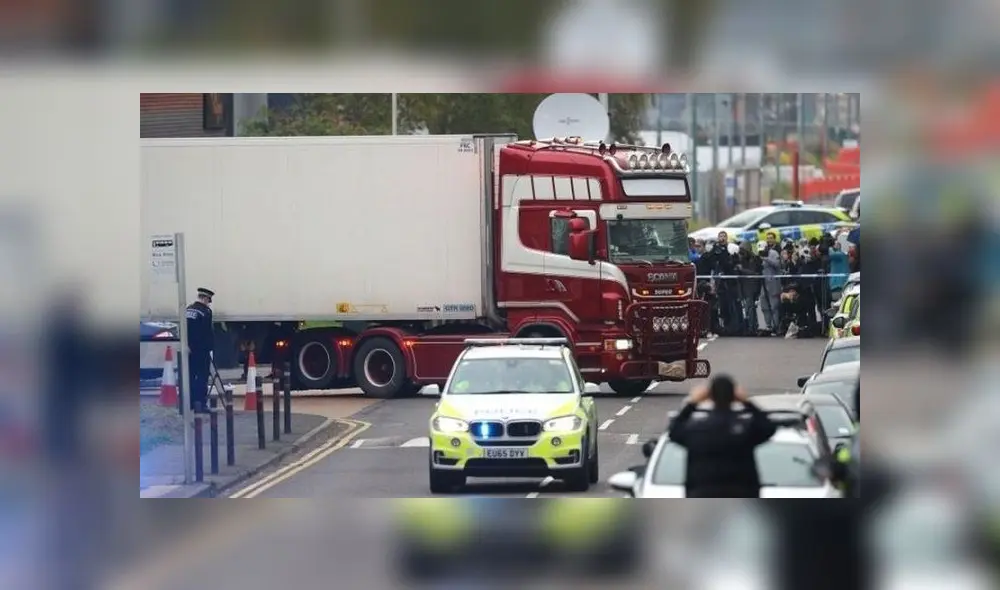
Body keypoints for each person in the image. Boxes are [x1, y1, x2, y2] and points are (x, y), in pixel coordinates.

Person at [668, 375, 778, 497]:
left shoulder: (698, 429)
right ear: (734, 396)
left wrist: (692, 403)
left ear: (710, 397)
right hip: (742, 496)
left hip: (702, 495)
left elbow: (674, 431)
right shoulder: (744, 430)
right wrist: (747, 402)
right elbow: (768, 427)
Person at [185, 287, 215, 413]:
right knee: (202, 377)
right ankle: (201, 404)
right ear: (205, 298)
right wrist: (210, 347)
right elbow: (206, 332)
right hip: (201, 350)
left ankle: (190, 402)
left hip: (189, 349)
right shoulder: (205, 311)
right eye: (208, 300)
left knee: (190, 376)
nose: (209, 302)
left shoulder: (188, 309)